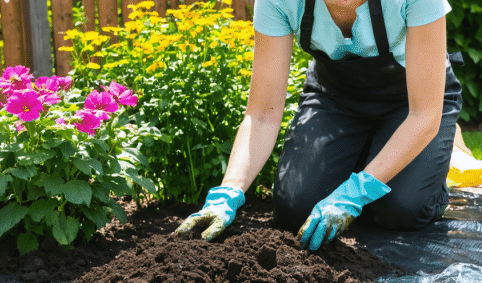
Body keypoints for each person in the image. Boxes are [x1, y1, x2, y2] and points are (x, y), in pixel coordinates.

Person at [175, 0, 463, 251]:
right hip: (335, 100)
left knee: (403, 209)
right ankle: (368, 156)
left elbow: (424, 115)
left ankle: (430, 175)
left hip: (411, 104)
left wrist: (355, 192)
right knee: (296, 209)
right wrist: (229, 191)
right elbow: (262, 113)